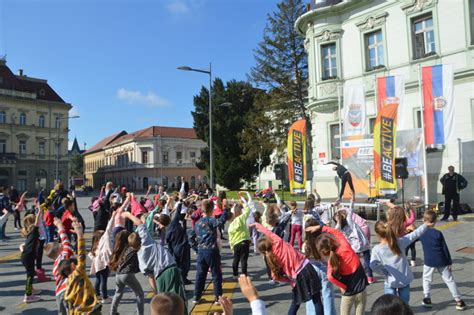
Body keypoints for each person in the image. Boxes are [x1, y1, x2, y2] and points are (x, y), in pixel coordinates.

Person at [123, 211, 187, 314]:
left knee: (164, 304)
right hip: (170, 269)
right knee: (178, 300)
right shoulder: (146, 241)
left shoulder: (141, 260)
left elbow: (150, 277)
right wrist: (128, 214)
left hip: (159, 278)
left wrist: (156, 292)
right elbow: (139, 223)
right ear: (140, 238)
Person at [255, 222, 323, 315]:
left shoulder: (271, 259)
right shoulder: (278, 242)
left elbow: (275, 277)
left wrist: (288, 279)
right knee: (317, 299)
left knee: (295, 303)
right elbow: (270, 233)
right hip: (307, 267)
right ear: (269, 242)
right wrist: (259, 226)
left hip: (297, 277)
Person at [305, 224, 368, 315]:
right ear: (332, 241)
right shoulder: (345, 246)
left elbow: (330, 277)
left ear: (322, 251)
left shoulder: (332, 261)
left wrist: (342, 286)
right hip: (361, 287)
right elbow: (336, 232)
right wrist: (321, 227)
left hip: (348, 292)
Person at [370, 218, 432, 304]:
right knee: (404, 303)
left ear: (378, 234)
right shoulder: (399, 242)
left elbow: (373, 265)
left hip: (391, 281)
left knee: (390, 304)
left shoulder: (376, 249)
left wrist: (384, 271)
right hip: (404, 279)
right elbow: (414, 235)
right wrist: (425, 225)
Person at [419, 210, 466, 310]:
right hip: (442, 260)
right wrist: (449, 262)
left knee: (426, 279)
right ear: (435, 221)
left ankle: (427, 298)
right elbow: (445, 248)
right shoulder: (438, 233)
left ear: (424, 220)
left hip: (428, 261)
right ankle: (459, 301)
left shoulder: (421, 232)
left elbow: (412, 237)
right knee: (449, 280)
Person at [191, 199, 229, 304]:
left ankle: (196, 297)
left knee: (200, 275)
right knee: (216, 275)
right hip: (211, 251)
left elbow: (191, 237)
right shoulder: (210, 220)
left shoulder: (198, 222)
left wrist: (196, 248)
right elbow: (221, 221)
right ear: (212, 209)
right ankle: (218, 298)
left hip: (201, 252)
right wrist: (225, 209)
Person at [62, 220, 101, 314]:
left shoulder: (68, 285)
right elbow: (81, 255)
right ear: (73, 266)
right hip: (90, 311)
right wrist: (80, 235)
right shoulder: (78, 273)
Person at [109, 229, 144, 315]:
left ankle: (112, 312)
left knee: (118, 294)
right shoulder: (131, 248)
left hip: (118, 275)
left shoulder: (119, 249)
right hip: (127, 275)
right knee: (139, 294)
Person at [44, 217, 75, 314]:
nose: (61, 244)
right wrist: (60, 227)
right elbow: (67, 243)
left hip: (59, 293)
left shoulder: (55, 266)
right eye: (59, 245)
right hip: (67, 290)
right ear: (58, 250)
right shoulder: (63, 258)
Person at [88, 210, 117, 304]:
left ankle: (97, 295)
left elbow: (90, 254)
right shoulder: (103, 244)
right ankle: (104, 297)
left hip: (97, 265)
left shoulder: (95, 245)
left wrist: (95, 259)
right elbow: (108, 229)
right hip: (103, 265)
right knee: (104, 281)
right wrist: (112, 217)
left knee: (98, 280)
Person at [228, 192, 255, 279]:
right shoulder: (241, 218)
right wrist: (243, 200)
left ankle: (235, 274)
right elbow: (248, 210)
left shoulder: (231, 225)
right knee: (244, 260)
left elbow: (230, 238)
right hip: (244, 241)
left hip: (235, 243)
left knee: (236, 259)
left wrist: (232, 247)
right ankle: (244, 275)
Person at [20, 211, 43, 303]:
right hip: (28, 256)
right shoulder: (34, 230)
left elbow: (22, 246)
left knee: (30, 273)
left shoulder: (31, 232)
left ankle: (31, 289)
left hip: (27, 256)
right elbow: (38, 222)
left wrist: (23, 250)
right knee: (30, 275)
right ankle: (28, 295)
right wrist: (40, 211)